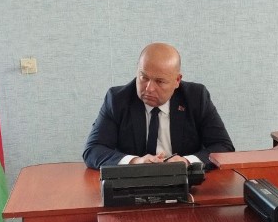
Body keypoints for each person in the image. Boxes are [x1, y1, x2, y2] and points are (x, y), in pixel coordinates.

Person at [83, 42, 234, 169]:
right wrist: (135, 162)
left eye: (160, 81)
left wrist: (187, 162)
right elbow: (93, 150)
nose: (149, 88)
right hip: (133, 183)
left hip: (186, 183)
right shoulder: (117, 99)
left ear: (177, 80)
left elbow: (223, 147)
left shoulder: (196, 97)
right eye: (144, 77)